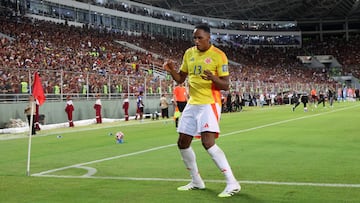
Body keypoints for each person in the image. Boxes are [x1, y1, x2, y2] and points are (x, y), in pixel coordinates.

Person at [163, 24, 240, 198]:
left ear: (208, 38)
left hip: (209, 103)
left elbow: (226, 85)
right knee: (182, 142)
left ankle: (232, 182)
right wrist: (171, 71)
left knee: (208, 142)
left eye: (200, 38)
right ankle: (196, 181)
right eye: (195, 38)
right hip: (193, 104)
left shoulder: (219, 56)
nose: (196, 41)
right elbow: (180, 79)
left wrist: (213, 78)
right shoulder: (189, 53)